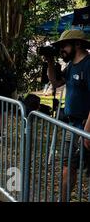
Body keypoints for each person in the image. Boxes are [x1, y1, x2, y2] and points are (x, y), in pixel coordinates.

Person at [45, 29, 90, 202]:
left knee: (72, 167)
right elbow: (56, 82)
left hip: (84, 126)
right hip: (71, 125)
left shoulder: (88, 64)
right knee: (67, 167)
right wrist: (49, 62)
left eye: (64, 45)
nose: (61, 49)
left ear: (77, 44)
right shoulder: (71, 65)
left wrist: (86, 133)